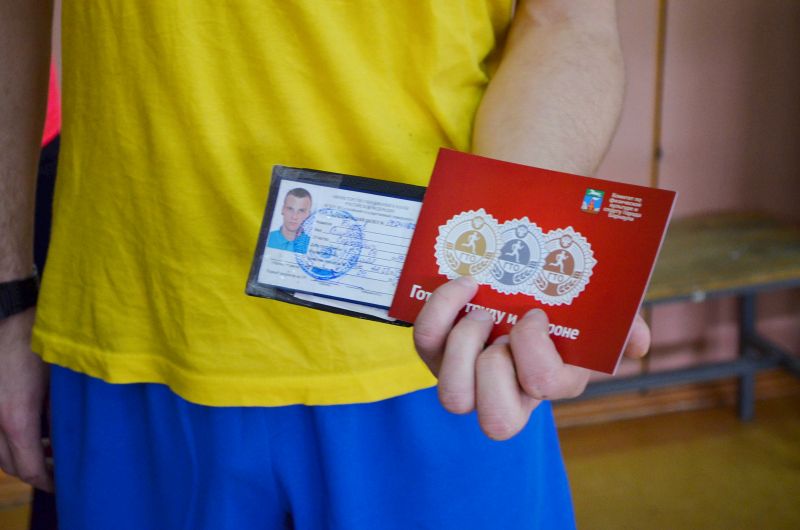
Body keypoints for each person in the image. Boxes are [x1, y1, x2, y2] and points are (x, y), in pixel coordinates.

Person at [1, 1, 650, 528]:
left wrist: (512, 271)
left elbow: (566, 20)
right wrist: (5, 291)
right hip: (135, 325)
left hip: (433, 346)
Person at [267, 188, 312, 253]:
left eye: (301, 211)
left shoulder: (312, 247)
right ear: (282, 209)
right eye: (290, 209)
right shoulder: (266, 238)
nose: (294, 217)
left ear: (308, 215)